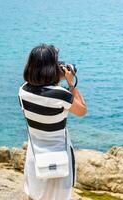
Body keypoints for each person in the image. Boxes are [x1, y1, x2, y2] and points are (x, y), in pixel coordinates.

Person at [18, 43, 87, 200]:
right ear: (51, 68)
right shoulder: (62, 95)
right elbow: (82, 110)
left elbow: (43, 92)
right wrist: (70, 82)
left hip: (35, 156)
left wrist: (54, 79)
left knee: (33, 195)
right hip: (59, 158)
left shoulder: (22, 91)